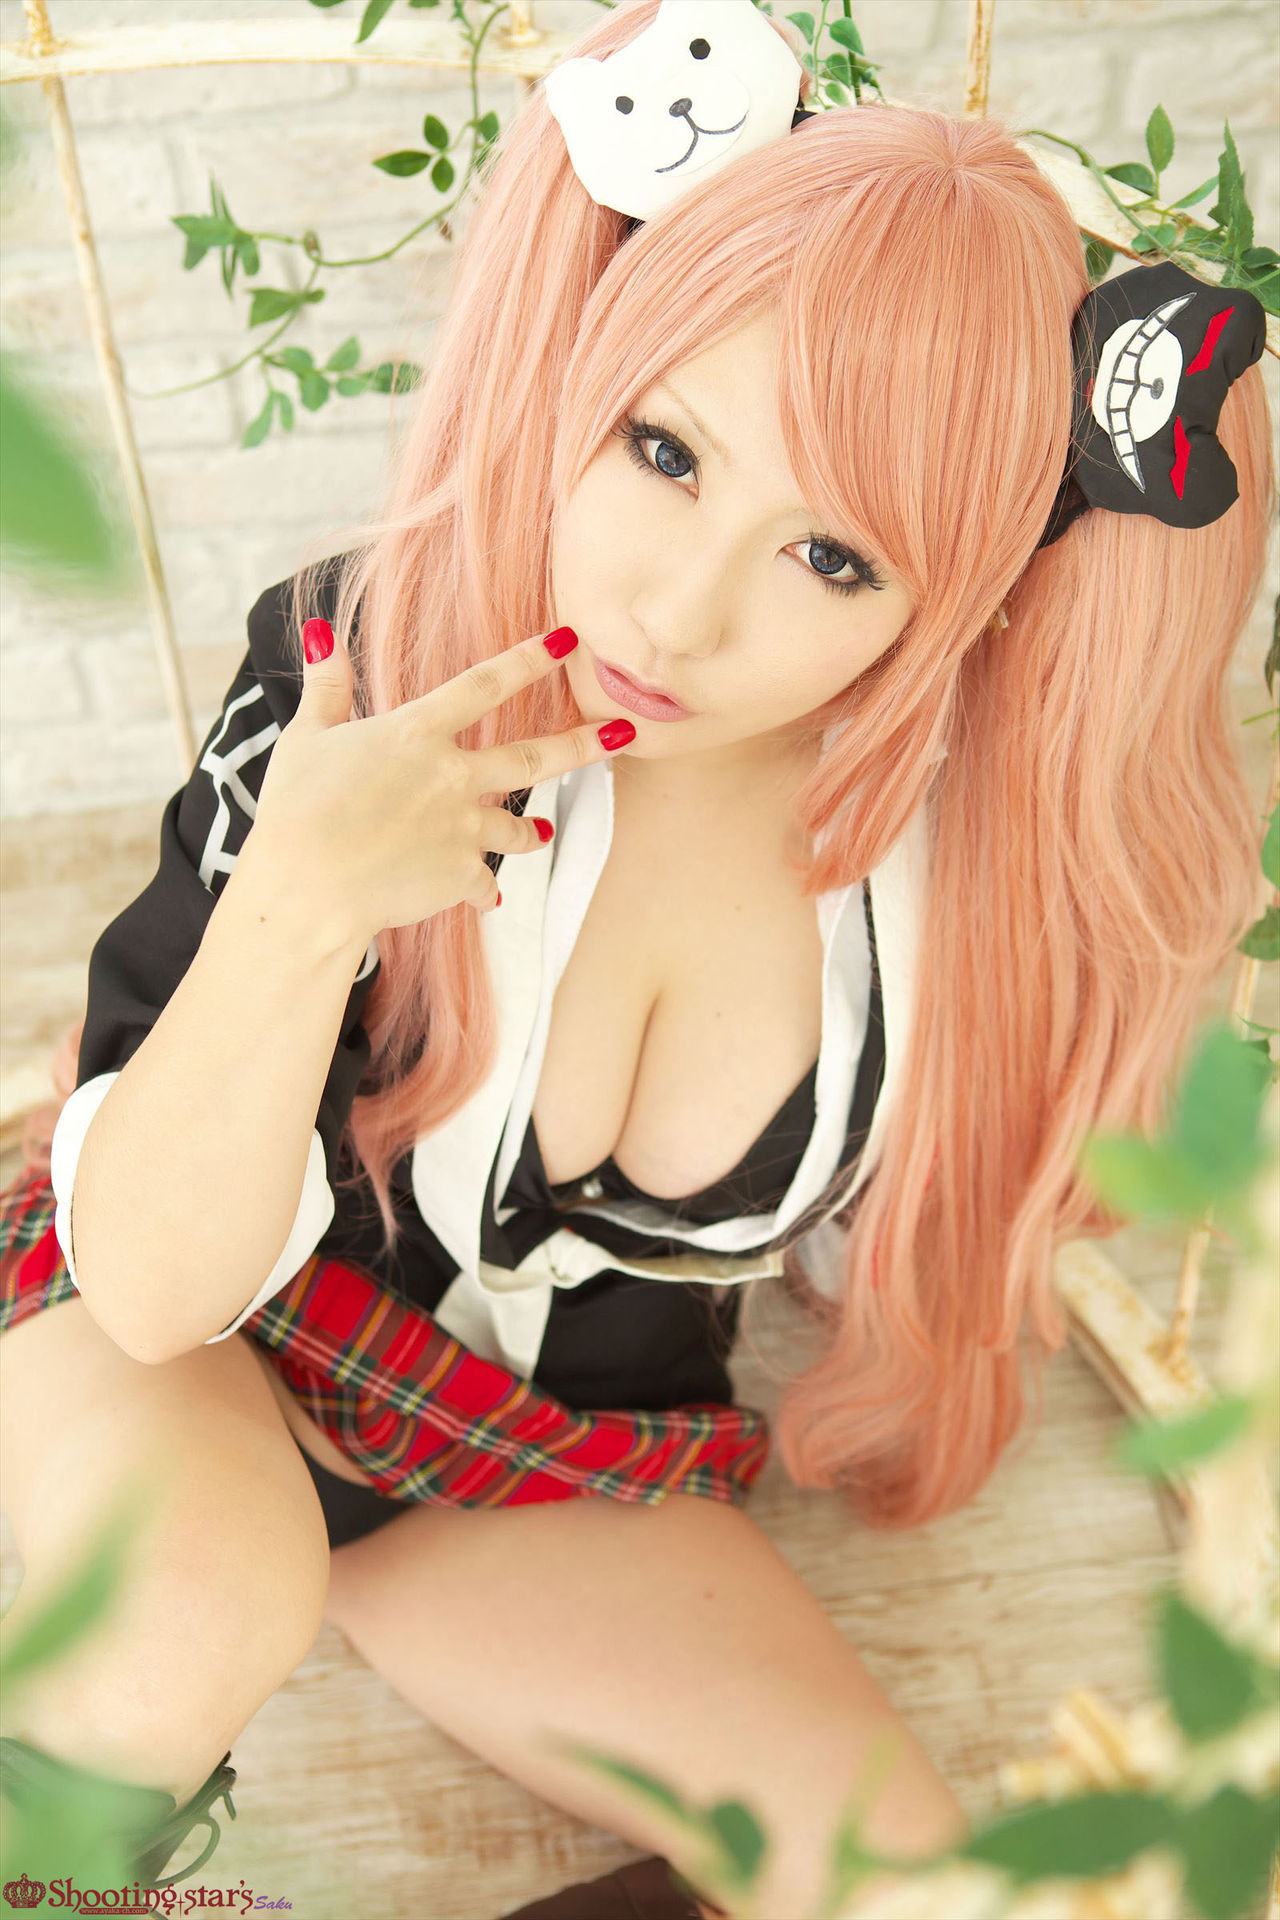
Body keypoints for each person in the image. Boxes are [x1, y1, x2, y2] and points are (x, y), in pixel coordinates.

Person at [0, 0, 1272, 1912]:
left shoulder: (951, 877)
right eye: (666, 449)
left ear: (975, 596)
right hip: (185, 1333)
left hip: (543, 1445)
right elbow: (161, 1284)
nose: (680, 607)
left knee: (904, 1883)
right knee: (193, 1605)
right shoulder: (369, 674)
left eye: (833, 558)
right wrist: (304, 897)